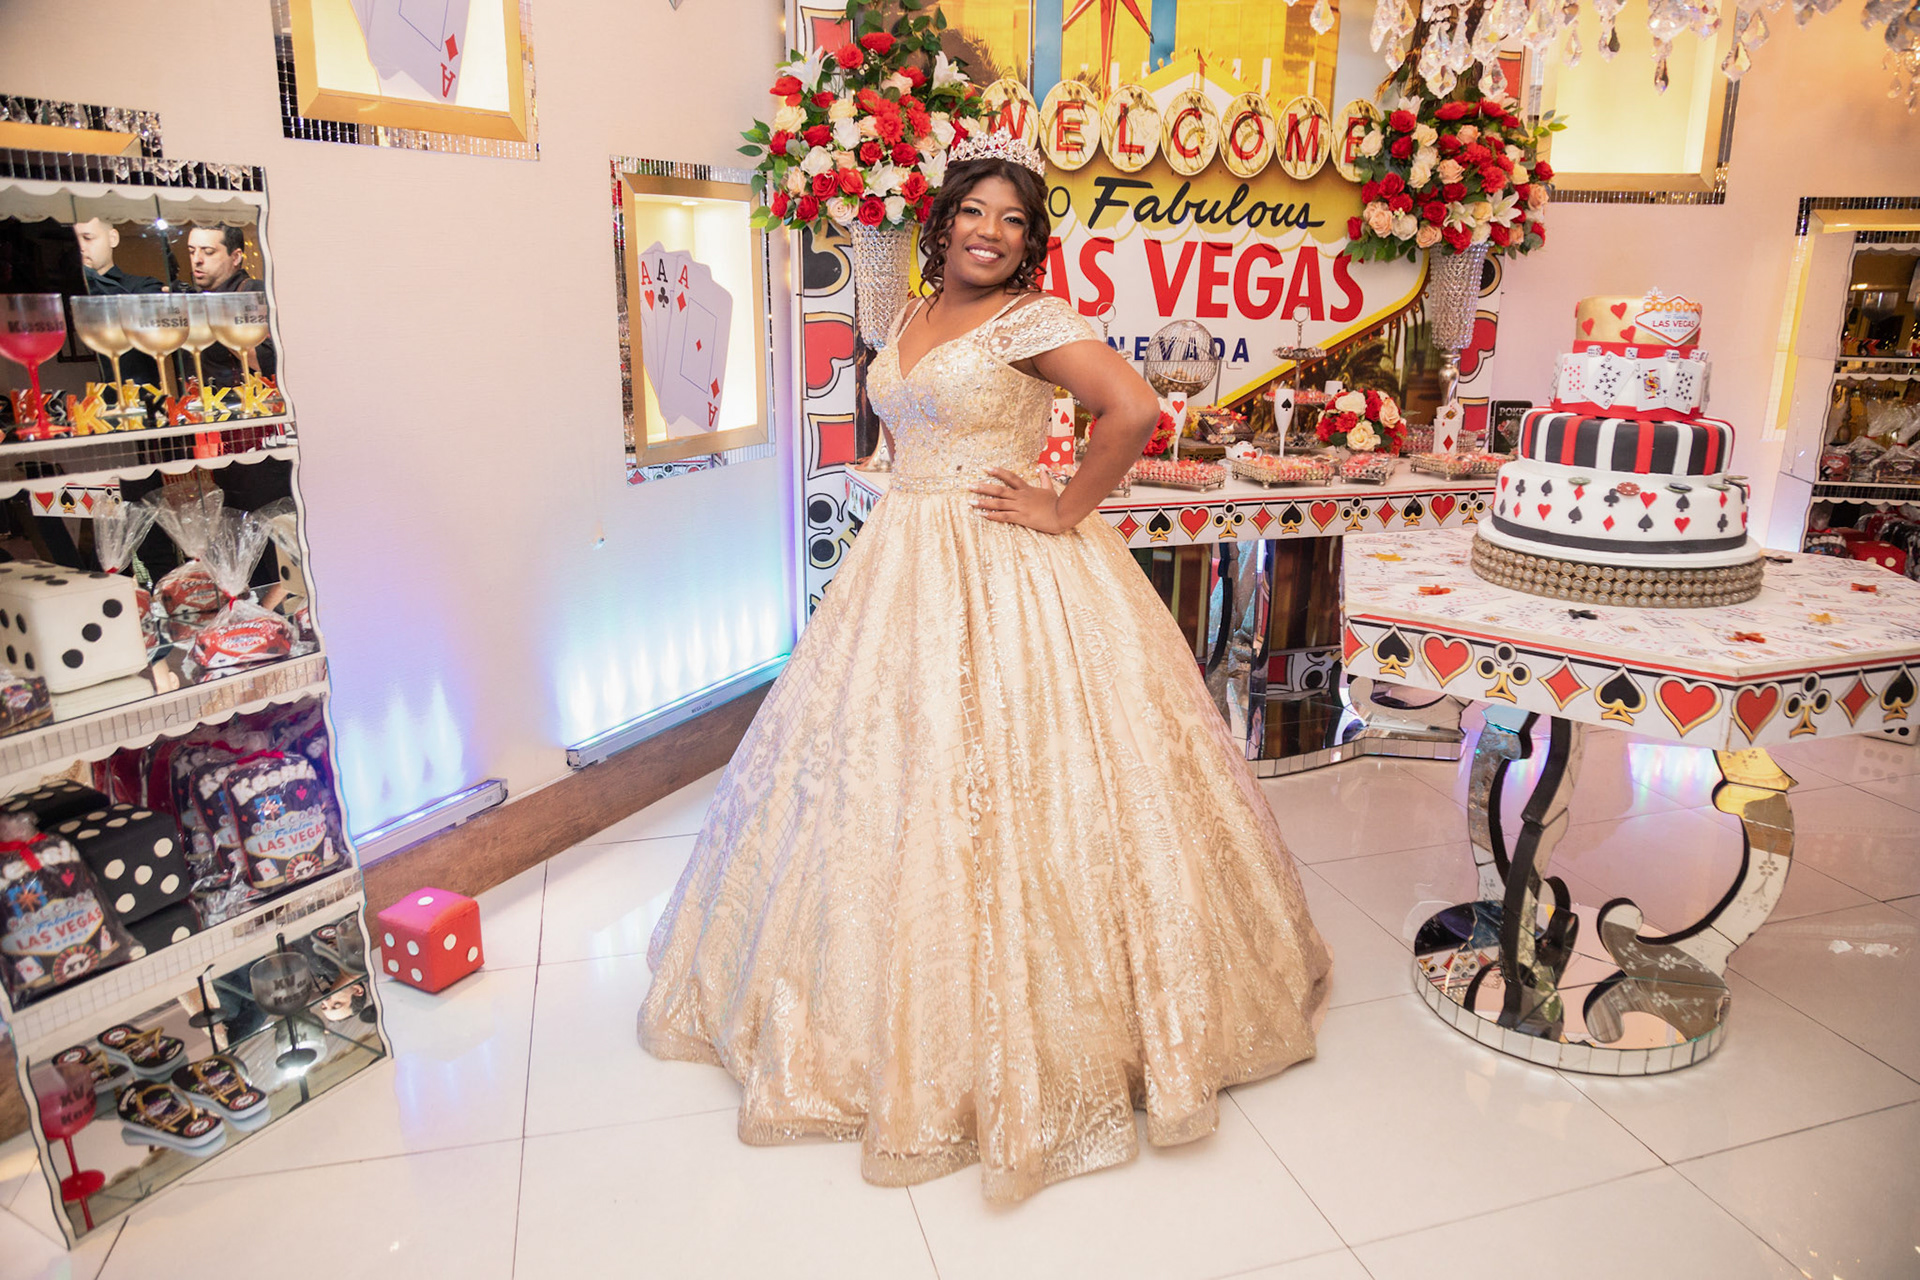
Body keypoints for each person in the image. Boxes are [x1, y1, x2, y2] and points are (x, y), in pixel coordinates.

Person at [638, 132, 1331, 1203]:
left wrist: (1062, 505)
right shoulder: (912, 312)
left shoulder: (1032, 320)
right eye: (974, 212)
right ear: (944, 219)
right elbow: (904, 421)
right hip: (901, 559)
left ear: (1029, 241)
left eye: (1013, 220)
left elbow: (1134, 409)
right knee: (880, 779)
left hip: (1008, 560)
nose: (990, 233)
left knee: (1027, 779)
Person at [72, 217, 161, 385]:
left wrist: (86, 275)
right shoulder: (68, 291)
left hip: (137, 394)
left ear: (112, 238)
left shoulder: (143, 286)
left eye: (88, 238)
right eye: (74, 241)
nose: (81, 247)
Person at [186, 224, 276, 380]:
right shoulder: (197, 298)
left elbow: (269, 363)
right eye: (191, 251)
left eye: (208, 252)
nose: (196, 260)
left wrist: (212, 312)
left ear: (235, 257)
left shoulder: (255, 293)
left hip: (250, 394)